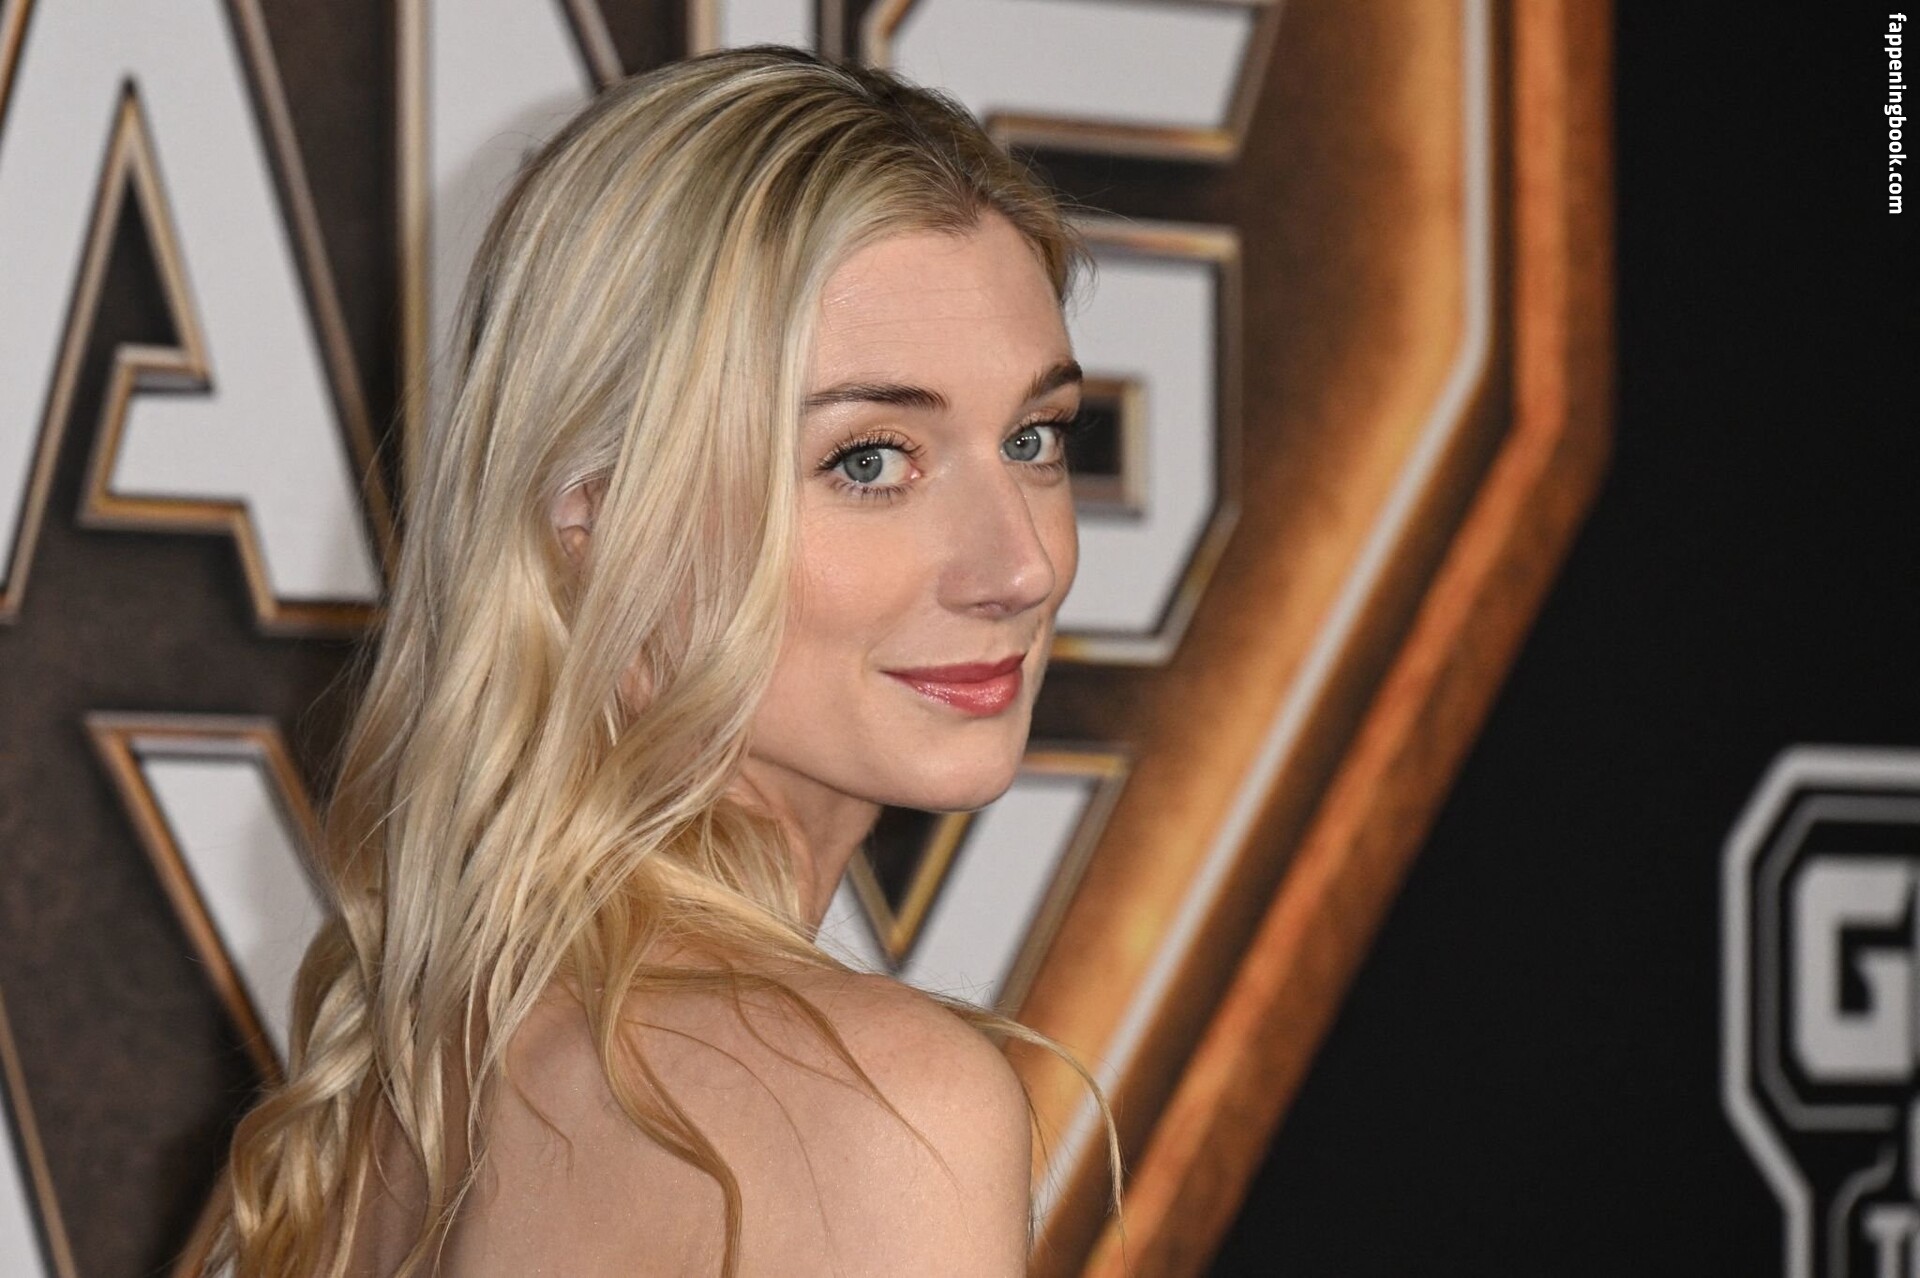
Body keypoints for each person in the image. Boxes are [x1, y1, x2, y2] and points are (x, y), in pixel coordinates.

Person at [211, 44, 1121, 1278]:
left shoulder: (414, 1071)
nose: (1019, 564)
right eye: (869, 460)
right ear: (593, 517)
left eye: (1034, 437)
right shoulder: (880, 1113)